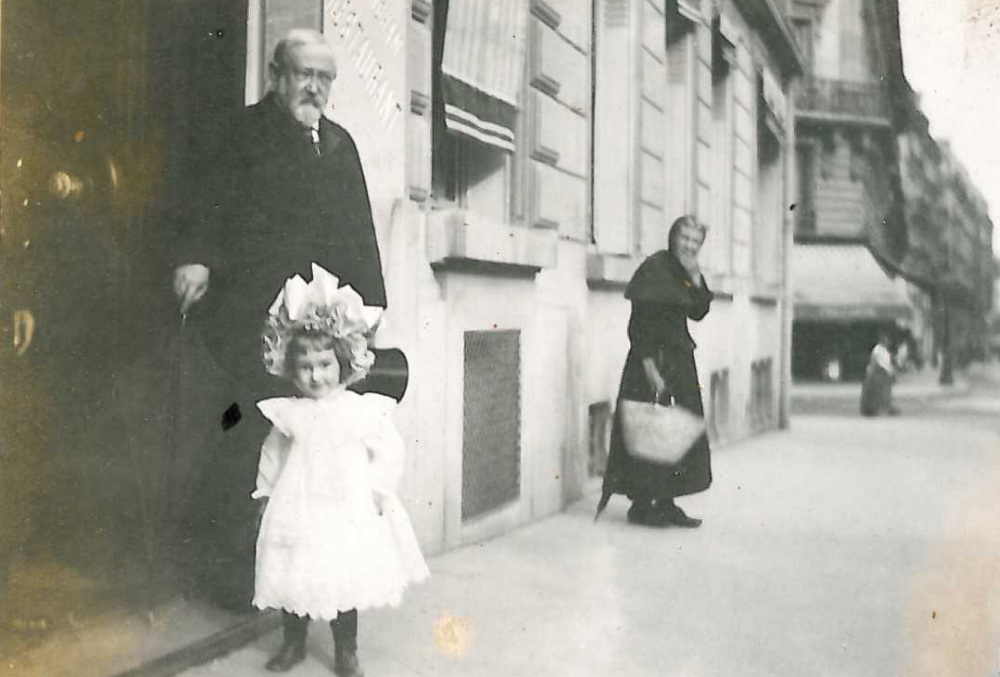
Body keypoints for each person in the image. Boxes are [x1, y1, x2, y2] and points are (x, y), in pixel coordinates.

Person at [252, 265, 428, 674]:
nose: (316, 375)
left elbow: (389, 449)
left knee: (342, 572)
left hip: (346, 503)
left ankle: (346, 650)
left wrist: (378, 491)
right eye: (306, 367)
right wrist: (264, 494)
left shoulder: (359, 409)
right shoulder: (289, 414)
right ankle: (293, 642)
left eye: (325, 364)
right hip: (297, 504)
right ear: (290, 370)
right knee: (293, 571)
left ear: (343, 362)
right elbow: (272, 454)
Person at [596, 215, 714, 528]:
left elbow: (699, 311)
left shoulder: (686, 272)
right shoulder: (654, 268)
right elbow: (638, 326)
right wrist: (650, 370)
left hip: (680, 361)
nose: (689, 245)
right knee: (648, 430)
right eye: (685, 238)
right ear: (673, 237)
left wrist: (695, 275)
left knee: (678, 431)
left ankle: (666, 501)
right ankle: (641, 505)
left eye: (695, 241)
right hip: (649, 362)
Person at [860, 332, 899, 416]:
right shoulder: (878, 350)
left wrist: (891, 371)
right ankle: (870, 409)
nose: (888, 342)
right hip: (876, 374)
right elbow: (882, 363)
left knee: (885, 392)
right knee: (875, 392)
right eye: (886, 340)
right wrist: (891, 371)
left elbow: (887, 363)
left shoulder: (884, 350)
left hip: (882, 374)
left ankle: (886, 407)